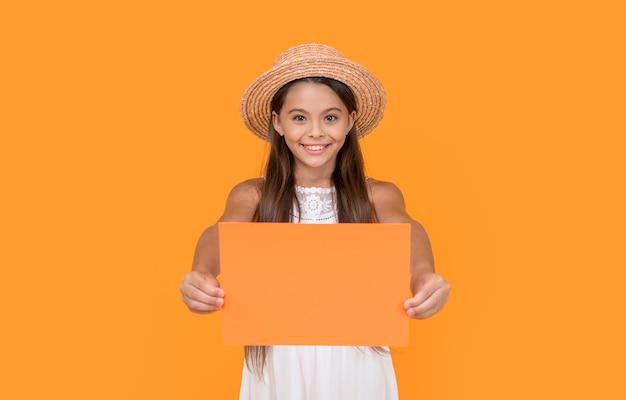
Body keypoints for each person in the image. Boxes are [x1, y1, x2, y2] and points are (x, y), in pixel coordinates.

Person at [179, 43, 450, 399]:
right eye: (299, 117)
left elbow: (407, 230)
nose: (316, 132)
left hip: (358, 365)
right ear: (277, 122)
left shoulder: (377, 196)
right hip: (279, 365)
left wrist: (424, 274)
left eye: (331, 117)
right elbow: (220, 234)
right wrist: (201, 272)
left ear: (351, 120)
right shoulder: (252, 195)